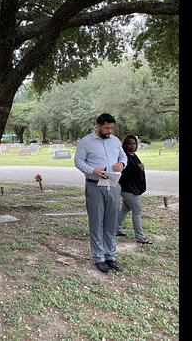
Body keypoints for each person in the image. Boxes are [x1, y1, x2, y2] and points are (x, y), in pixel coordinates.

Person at [74, 113, 127, 273]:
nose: (109, 131)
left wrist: (121, 164)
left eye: (111, 128)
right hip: (95, 186)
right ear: (98, 126)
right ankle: (99, 258)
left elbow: (123, 156)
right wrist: (92, 170)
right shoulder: (86, 141)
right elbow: (78, 161)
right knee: (97, 223)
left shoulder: (115, 141)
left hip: (114, 185)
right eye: (106, 128)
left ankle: (110, 256)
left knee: (111, 223)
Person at [116, 135, 153, 244]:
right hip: (128, 189)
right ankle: (140, 237)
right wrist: (138, 168)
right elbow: (125, 173)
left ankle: (115, 229)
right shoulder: (124, 157)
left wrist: (140, 168)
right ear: (125, 145)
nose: (132, 146)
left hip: (132, 188)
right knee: (137, 211)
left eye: (134, 143)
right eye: (129, 143)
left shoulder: (133, 155)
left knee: (125, 209)